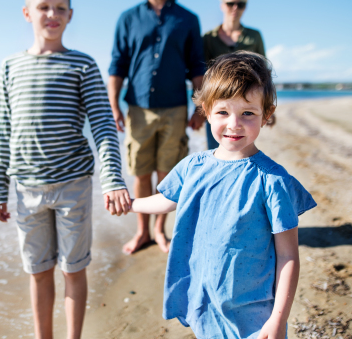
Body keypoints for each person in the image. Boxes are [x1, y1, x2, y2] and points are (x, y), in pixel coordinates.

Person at [130, 51, 317, 338]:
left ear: (266, 114)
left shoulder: (272, 180)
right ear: (205, 109)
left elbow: (288, 255)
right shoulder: (193, 166)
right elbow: (168, 200)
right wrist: (130, 204)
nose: (234, 124)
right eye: (223, 112)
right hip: (205, 301)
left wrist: (278, 320)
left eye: (248, 113)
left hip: (253, 315)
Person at [0, 0, 131, 339]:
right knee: (38, 271)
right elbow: (2, 131)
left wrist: (113, 179)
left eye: (59, 8)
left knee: (73, 269)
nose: (51, 14)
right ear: (27, 12)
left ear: (70, 14)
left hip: (73, 188)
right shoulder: (10, 67)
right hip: (26, 190)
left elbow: (102, 125)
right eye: (43, 7)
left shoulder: (82, 65)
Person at [108, 0, 205, 255]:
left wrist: (200, 106)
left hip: (176, 108)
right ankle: (141, 232)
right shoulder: (128, 19)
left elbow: (197, 69)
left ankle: (160, 230)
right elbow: (116, 66)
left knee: (167, 173)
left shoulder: (188, 20)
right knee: (140, 173)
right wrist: (113, 106)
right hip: (137, 109)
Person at [203, 0, 267, 149]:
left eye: (241, 4)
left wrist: (266, 106)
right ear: (222, 5)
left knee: (243, 150)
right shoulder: (208, 39)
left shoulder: (254, 37)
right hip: (219, 106)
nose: (235, 8)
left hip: (246, 107)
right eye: (231, 3)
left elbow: (264, 74)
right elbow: (202, 76)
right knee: (215, 151)